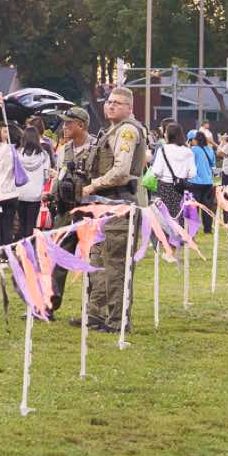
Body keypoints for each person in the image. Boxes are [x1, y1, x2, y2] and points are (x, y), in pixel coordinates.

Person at [77, 87, 147, 334]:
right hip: (103, 206)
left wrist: (92, 186)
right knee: (97, 260)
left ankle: (117, 320)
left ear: (130, 108)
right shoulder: (112, 131)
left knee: (116, 265)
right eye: (109, 101)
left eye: (118, 103)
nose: (111, 106)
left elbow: (120, 172)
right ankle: (95, 313)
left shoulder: (128, 131)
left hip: (121, 206)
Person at [48, 107, 95, 315]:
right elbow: (60, 175)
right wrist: (51, 193)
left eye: (69, 123)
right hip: (66, 211)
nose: (64, 126)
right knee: (57, 257)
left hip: (90, 212)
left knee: (94, 260)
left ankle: (93, 310)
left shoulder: (97, 148)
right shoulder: (64, 149)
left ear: (81, 125)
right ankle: (48, 305)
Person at [13, 125, 51, 241]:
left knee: (22, 223)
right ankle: (30, 249)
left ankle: (21, 248)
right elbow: (46, 176)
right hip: (35, 195)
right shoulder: (44, 155)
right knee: (31, 225)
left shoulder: (18, 154)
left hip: (20, 193)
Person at [187, 127, 219, 232]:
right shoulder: (209, 149)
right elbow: (213, 165)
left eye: (190, 140)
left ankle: (194, 229)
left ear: (194, 139)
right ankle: (208, 228)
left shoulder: (193, 150)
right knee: (207, 207)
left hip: (195, 182)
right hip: (208, 182)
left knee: (194, 207)